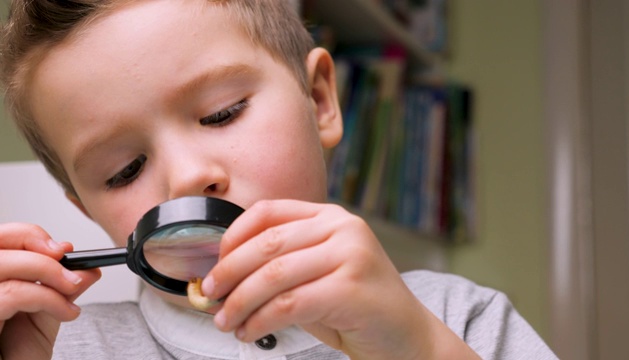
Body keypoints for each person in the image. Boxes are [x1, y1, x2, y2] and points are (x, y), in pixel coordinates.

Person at [0, 0, 557, 359]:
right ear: (87, 212)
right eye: (124, 171)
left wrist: (418, 349)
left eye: (221, 113)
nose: (188, 178)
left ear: (318, 101)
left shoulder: (459, 319)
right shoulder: (59, 348)